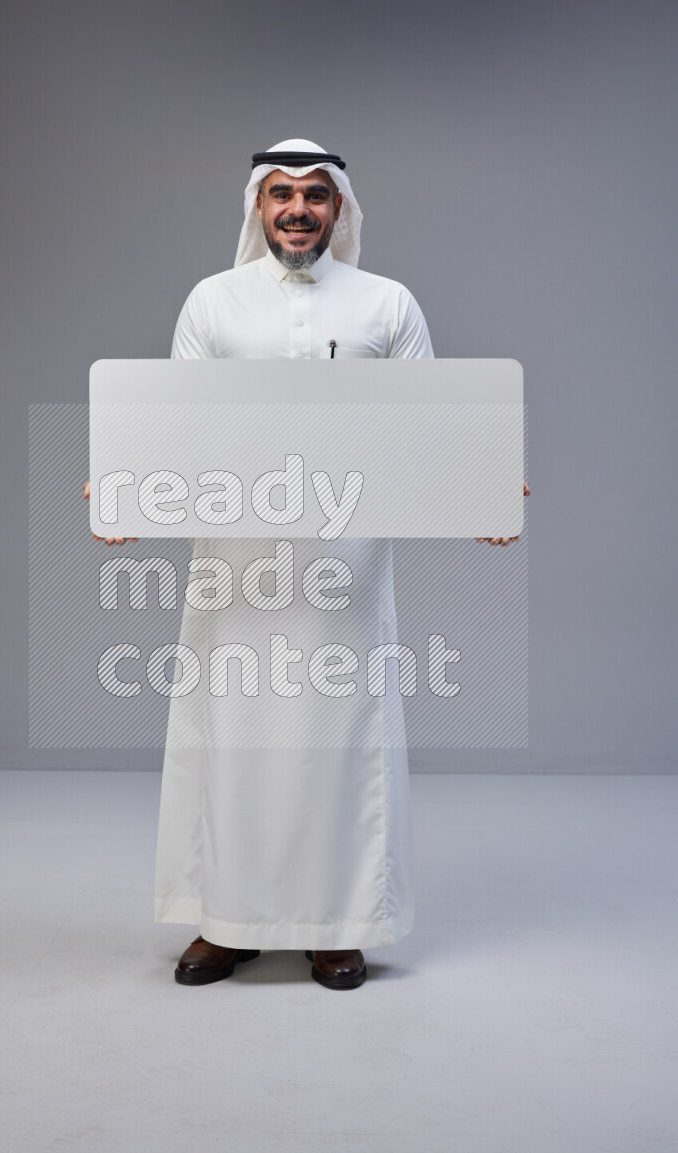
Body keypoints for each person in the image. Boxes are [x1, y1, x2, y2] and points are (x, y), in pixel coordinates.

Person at [86, 138, 527, 989]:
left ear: (340, 209)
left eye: (316, 194)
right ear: (257, 206)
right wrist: (119, 483)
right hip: (236, 571)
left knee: (339, 742)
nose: (297, 207)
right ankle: (227, 922)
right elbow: (174, 422)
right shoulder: (212, 302)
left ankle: (338, 924)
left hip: (342, 571)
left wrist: (485, 487)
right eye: (281, 192)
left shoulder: (386, 304)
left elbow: (429, 424)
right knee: (234, 740)